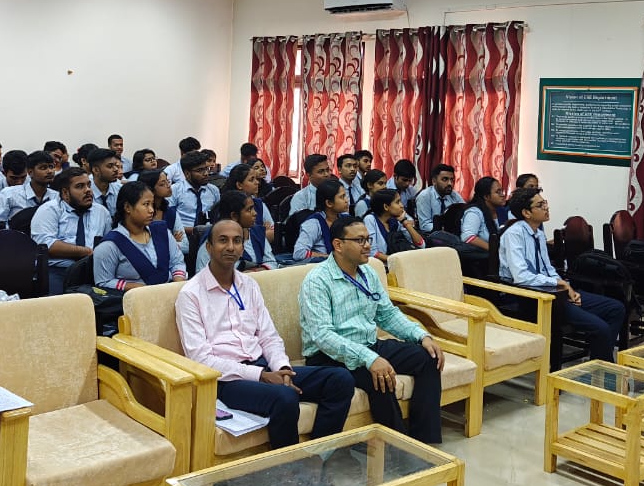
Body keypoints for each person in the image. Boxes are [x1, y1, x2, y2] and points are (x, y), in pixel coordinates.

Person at [178, 219, 354, 449]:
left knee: (340, 380)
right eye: (223, 240)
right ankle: (288, 468)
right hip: (226, 381)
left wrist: (283, 369)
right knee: (285, 397)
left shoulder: (249, 285)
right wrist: (261, 375)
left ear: (243, 247)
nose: (230, 247)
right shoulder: (191, 294)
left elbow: (268, 336)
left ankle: (319, 455)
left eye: (237, 241)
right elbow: (200, 359)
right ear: (209, 247)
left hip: (264, 367)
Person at [300, 217, 445, 443]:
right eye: (360, 240)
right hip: (329, 356)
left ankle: (424, 440)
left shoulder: (368, 273)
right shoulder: (317, 281)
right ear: (338, 245)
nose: (367, 245)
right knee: (381, 378)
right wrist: (370, 358)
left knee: (428, 357)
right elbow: (323, 336)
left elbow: (387, 314)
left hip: (368, 345)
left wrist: (421, 335)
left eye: (368, 239)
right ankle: (398, 448)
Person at [500, 187, 624, 361]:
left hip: (554, 293)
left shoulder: (538, 234)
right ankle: (603, 370)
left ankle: (600, 362)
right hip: (531, 297)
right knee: (600, 328)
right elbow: (521, 277)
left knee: (616, 308)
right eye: (540, 205)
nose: (546, 207)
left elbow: (548, 269)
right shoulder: (514, 235)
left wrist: (568, 289)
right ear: (526, 212)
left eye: (545, 203)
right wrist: (559, 285)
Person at [94, 180, 187, 292]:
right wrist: (137, 288)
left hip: (170, 292)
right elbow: (103, 282)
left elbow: (177, 262)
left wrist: (178, 285)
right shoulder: (109, 245)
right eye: (146, 204)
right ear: (127, 207)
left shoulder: (162, 232)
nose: (151, 210)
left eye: (152, 204)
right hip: (135, 298)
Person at [31, 168, 111, 294]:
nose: (88, 190)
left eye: (88, 185)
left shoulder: (101, 212)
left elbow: (109, 243)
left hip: (93, 271)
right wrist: (86, 252)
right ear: (65, 193)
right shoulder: (49, 210)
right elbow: (46, 245)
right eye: (80, 186)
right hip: (58, 270)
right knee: (60, 303)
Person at [195, 190, 277, 271]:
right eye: (249, 209)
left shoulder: (257, 232)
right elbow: (202, 273)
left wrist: (254, 272)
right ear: (234, 216)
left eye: (253, 208)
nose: (255, 213)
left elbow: (271, 262)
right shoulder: (213, 240)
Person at [0, 150, 57, 233]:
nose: (50, 171)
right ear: (30, 172)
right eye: (43, 168)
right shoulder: (9, 194)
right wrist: (10, 231)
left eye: (51, 167)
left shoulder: (57, 197)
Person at [293, 179, 348, 262]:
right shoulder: (313, 224)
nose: (346, 200)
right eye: (342, 197)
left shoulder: (346, 219)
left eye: (345, 196)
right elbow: (299, 253)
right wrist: (331, 257)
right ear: (329, 203)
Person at [363, 188, 423, 261]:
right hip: (384, 265)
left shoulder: (396, 220)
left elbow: (421, 245)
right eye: (397, 202)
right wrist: (399, 261)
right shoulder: (370, 219)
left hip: (400, 262)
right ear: (386, 207)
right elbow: (372, 253)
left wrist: (405, 223)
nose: (402, 206)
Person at [222, 164, 275, 242]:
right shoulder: (228, 205)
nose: (257, 182)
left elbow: (273, 232)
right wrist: (261, 232)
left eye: (256, 179)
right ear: (239, 185)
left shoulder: (259, 204)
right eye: (251, 180)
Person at [138, 168, 188, 252]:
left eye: (168, 181)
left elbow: (185, 246)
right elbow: (142, 246)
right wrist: (171, 241)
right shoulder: (141, 213)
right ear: (150, 189)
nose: (168, 185)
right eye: (162, 184)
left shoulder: (170, 212)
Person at [171, 150, 219, 229]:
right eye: (200, 170)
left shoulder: (213, 190)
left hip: (209, 232)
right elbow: (169, 222)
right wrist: (194, 231)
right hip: (184, 233)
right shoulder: (175, 190)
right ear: (187, 173)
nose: (206, 173)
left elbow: (218, 215)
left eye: (206, 169)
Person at [415, 163, 465, 234]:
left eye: (452, 180)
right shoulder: (424, 196)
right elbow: (424, 225)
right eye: (445, 179)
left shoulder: (454, 195)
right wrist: (443, 229)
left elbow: (466, 213)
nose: (450, 183)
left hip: (452, 234)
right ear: (434, 181)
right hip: (432, 236)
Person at [459, 176, 507, 251]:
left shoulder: (501, 211)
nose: (503, 195)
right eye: (498, 192)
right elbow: (467, 237)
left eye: (501, 191)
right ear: (486, 197)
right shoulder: (474, 212)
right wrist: (494, 250)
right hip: (481, 256)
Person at [87, 147, 124, 217]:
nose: (116, 169)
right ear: (96, 170)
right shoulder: (86, 193)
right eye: (110, 166)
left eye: (116, 165)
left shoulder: (120, 189)